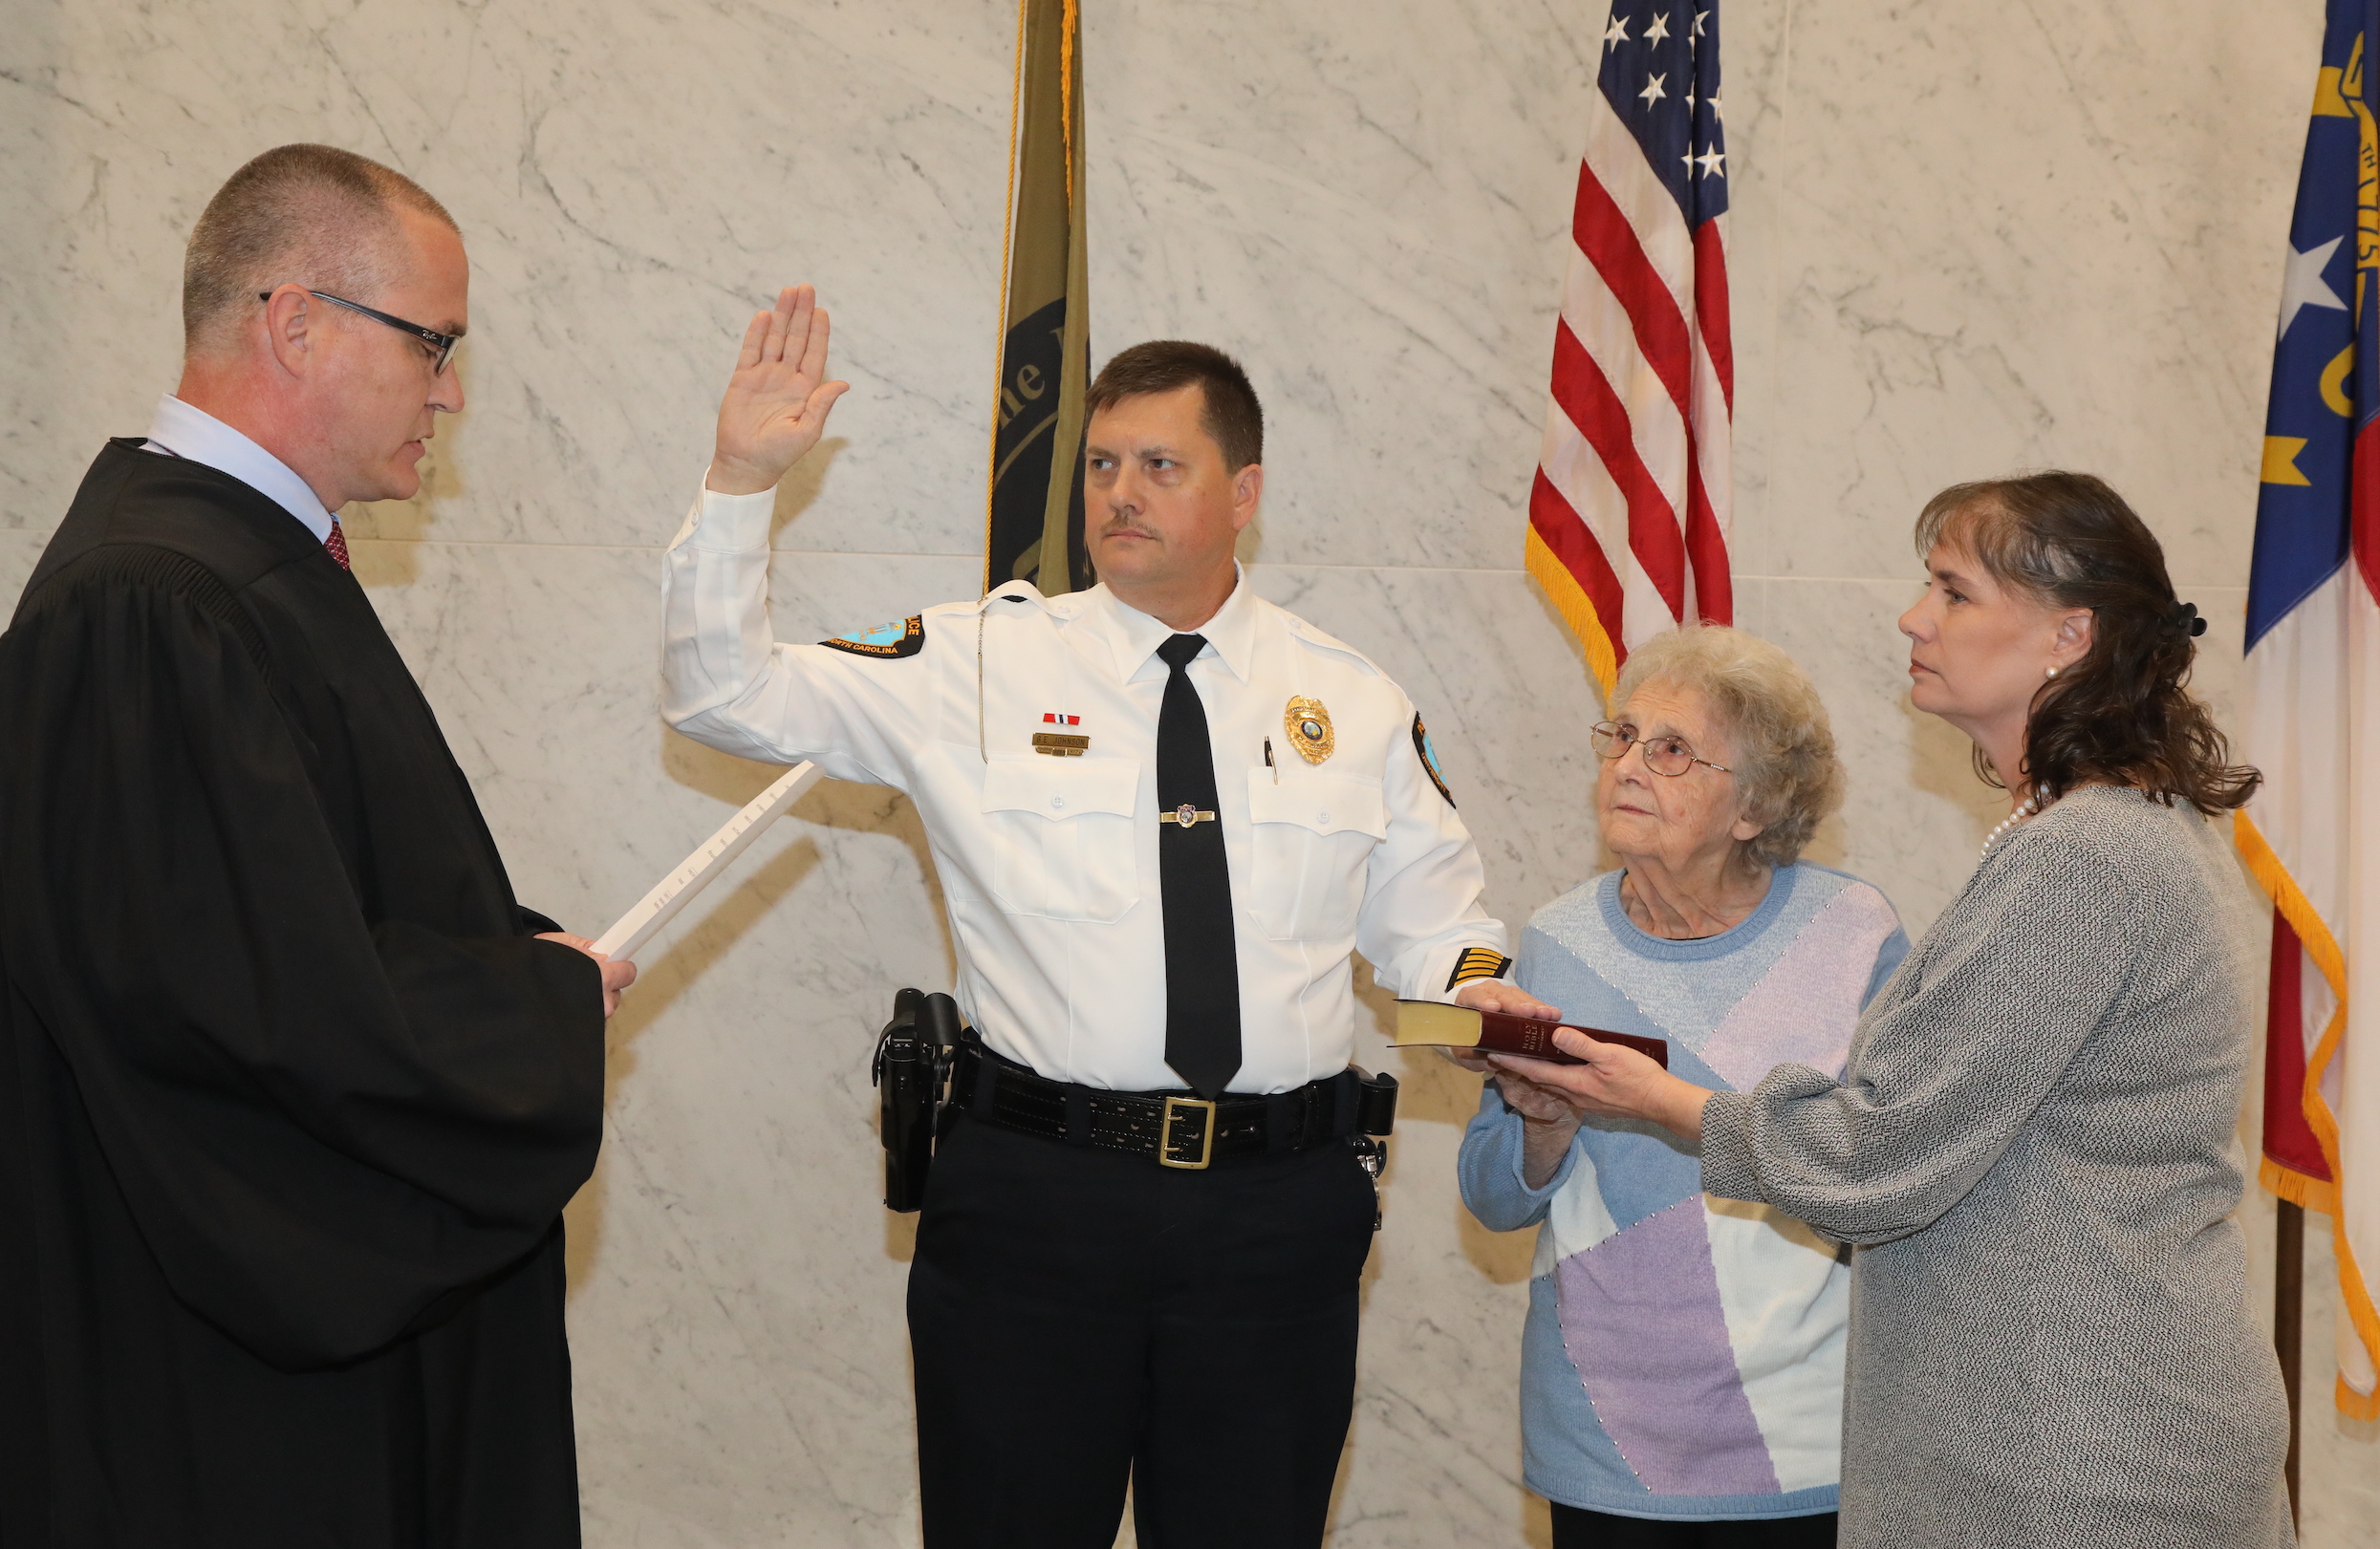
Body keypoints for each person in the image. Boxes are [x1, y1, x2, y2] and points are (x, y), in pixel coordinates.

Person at [659, 291, 1547, 1547]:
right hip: (1037, 1205)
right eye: (1102, 464)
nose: (1120, 491)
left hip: (1275, 1214)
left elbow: (1438, 924)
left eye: (1160, 465)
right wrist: (741, 483)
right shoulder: (972, 665)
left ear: (1243, 493)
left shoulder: (1347, 700)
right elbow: (720, 697)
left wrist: (1480, 1000)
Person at [0, 143, 633, 1548]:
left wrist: (505, 958)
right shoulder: (154, 605)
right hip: (224, 1403)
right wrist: (534, 1010)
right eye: (436, 344)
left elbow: (302, 904)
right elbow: (235, 1015)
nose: (450, 390)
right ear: (296, 321)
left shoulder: (228, 567)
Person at [1501, 472, 2294, 1549]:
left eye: (1955, 594)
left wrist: (1661, 1100)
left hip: (2079, 1454)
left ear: (2070, 634)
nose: (1915, 618)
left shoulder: (2086, 856)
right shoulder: (2098, 829)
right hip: (2054, 1428)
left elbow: (1878, 1157)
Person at [1459, 624, 1907, 1547]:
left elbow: (1884, 1170)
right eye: (1620, 737)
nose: (1627, 767)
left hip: (1802, 1441)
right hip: (1605, 1436)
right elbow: (1493, 1199)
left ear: (1755, 805)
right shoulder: (1553, 939)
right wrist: (1540, 1126)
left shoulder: (1854, 933)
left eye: (1670, 751)